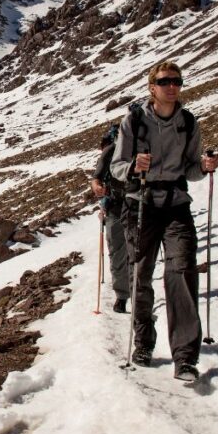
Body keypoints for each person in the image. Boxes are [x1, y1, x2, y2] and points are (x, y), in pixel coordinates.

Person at [110, 61, 218, 381]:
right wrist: (134, 165)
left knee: (182, 270)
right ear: (151, 87)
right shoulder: (134, 121)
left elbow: (190, 169)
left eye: (177, 81)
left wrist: (205, 165)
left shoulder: (187, 122)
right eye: (164, 81)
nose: (172, 86)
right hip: (140, 203)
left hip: (175, 204)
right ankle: (143, 341)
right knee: (140, 275)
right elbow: (117, 167)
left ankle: (185, 356)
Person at [90, 124, 130, 313]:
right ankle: (122, 295)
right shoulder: (111, 151)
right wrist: (97, 187)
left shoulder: (145, 145)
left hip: (135, 205)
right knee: (118, 252)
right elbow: (97, 178)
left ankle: (135, 293)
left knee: (127, 252)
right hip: (116, 205)